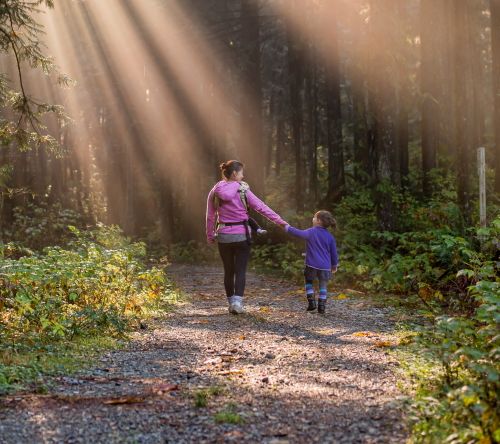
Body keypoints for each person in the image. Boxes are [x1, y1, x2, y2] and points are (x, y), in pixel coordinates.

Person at [206, 160, 287, 314]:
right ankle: (238, 303)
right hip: (241, 235)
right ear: (235, 173)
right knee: (240, 270)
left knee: (228, 271)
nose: (243, 176)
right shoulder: (243, 190)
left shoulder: (215, 190)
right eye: (242, 172)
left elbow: (210, 216)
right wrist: (281, 222)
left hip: (223, 235)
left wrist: (210, 235)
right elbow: (262, 208)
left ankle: (231, 303)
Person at [283, 211, 338, 314]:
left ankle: (312, 302)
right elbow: (334, 253)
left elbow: (298, 233)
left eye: (314, 217)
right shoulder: (330, 237)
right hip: (325, 267)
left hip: (311, 264)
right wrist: (334, 265)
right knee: (323, 285)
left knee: (308, 282)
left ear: (318, 221)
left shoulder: (311, 232)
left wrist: (287, 227)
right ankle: (321, 307)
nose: (312, 219)